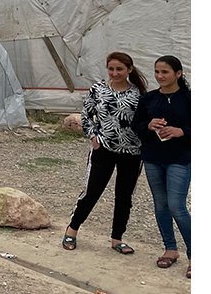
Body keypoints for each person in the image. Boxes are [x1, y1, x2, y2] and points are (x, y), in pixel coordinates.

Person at [62, 51, 148, 254]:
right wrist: (93, 137)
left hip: (132, 151)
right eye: (111, 68)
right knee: (92, 191)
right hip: (104, 149)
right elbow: (86, 115)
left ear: (129, 69)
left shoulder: (139, 94)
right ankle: (72, 230)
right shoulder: (98, 89)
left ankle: (117, 238)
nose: (115, 73)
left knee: (124, 196)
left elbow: (144, 121)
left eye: (119, 69)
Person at [132, 55, 191, 279]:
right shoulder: (149, 99)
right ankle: (170, 249)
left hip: (180, 158)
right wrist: (149, 124)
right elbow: (136, 125)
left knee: (177, 206)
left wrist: (182, 131)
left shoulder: (188, 98)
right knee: (161, 205)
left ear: (178, 74)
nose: (159, 76)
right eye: (157, 71)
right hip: (153, 157)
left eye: (165, 72)